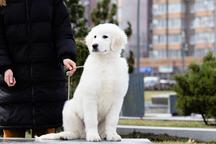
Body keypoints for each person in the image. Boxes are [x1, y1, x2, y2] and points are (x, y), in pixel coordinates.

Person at [0, 0, 76, 138]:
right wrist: (5, 67)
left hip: (47, 85)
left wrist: (66, 55)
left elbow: (63, 32)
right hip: (13, 87)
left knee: (46, 138)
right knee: (12, 138)